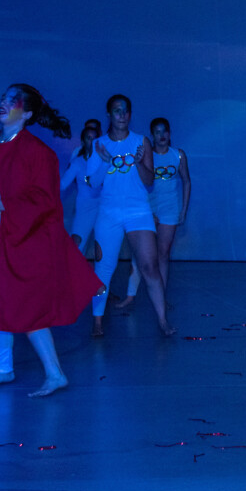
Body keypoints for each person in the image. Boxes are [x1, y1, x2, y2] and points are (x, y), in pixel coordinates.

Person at [0, 84, 102, 395]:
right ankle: (4, 369)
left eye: (13, 100)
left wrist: (3, 204)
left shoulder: (38, 152)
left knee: (25, 306)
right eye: (3, 98)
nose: (4, 103)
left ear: (27, 113)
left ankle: (55, 373)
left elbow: (46, 201)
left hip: (20, 237)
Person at [85, 95, 175, 337]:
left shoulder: (141, 142)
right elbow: (93, 183)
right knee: (104, 268)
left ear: (130, 114)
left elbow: (150, 181)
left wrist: (138, 163)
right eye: (117, 110)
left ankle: (163, 320)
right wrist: (105, 162)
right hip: (109, 213)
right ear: (109, 114)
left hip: (138, 212)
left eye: (125, 110)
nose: (122, 115)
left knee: (150, 266)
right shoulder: (100, 144)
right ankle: (97, 320)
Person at [115, 117, 191, 308]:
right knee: (140, 255)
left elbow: (186, 181)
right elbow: (138, 184)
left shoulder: (178, 155)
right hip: (147, 209)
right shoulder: (147, 155)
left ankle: (161, 298)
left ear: (169, 133)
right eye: (157, 132)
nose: (162, 135)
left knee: (163, 254)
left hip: (170, 209)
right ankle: (130, 296)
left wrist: (183, 210)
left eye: (164, 131)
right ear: (152, 135)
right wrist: (146, 211)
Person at [60, 125, 101, 257]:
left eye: (95, 138)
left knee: (103, 247)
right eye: (89, 138)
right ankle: (72, 270)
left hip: (103, 206)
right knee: (76, 245)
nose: (92, 141)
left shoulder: (105, 161)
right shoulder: (77, 163)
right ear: (83, 142)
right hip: (84, 207)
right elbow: (62, 185)